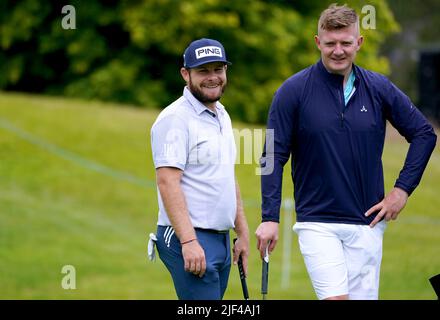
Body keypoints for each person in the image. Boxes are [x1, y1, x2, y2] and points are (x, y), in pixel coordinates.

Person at [255, 4, 437, 300]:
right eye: (330, 43)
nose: (338, 51)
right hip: (317, 223)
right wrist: (269, 216)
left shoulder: (379, 88)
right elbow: (271, 156)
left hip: (367, 225)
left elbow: (424, 134)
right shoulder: (292, 91)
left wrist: (401, 191)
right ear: (318, 42)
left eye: (345, 43)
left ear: (359, 42)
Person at [150, 38, 249, 300]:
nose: (212, 77)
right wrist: (189, 241)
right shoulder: (175, 118)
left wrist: (242, 233)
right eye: (203, 71)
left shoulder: (222, 115)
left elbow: (227, 177)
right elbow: (167, 182)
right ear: (186, 74)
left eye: (218, 69)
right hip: (190, 237)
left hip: (221, 239)